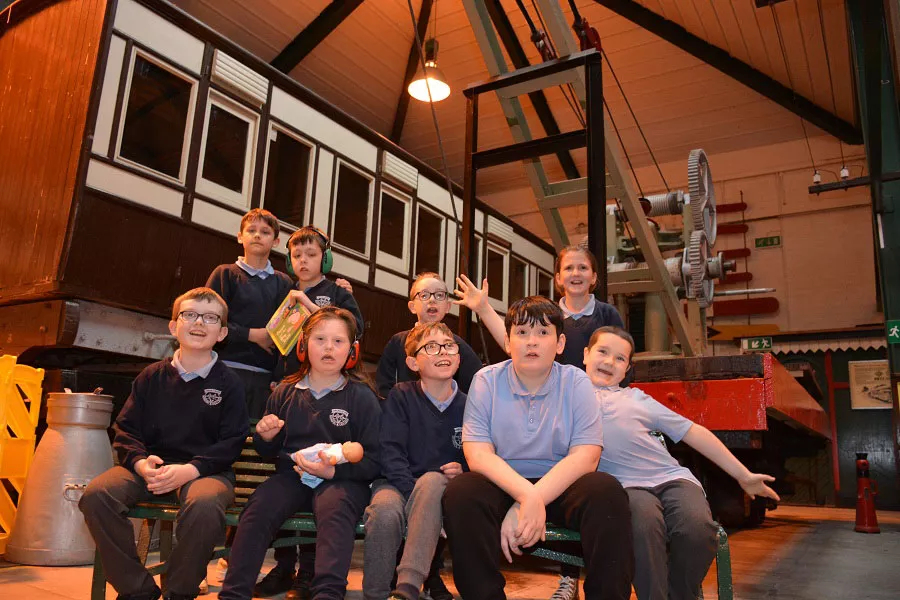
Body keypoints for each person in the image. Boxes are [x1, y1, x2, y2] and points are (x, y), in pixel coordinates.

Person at [442, 296, 634, 600]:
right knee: (462, 493)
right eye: (521, 333)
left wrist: (531, 499)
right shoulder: (486, 381)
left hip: (560, 484)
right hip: (503, 481)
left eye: (543, 333)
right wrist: (524, 494)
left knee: (606, 492)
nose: (532, 341)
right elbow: (477, 454)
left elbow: (586, 456)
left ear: (559, 344)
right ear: (507, 342)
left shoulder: (577, 382)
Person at [583, 326, 781, 600]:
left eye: (620, 358)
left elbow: (693, 432)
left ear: (627, 368)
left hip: (672, 479)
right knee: (643, 530)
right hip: (626, 487)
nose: (608, 362)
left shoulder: (637, 399)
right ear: (585, 354)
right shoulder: (570, 398)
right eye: (602, 352)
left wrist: (742, 475)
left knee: (697, 529)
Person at [79, 288, 248, 600]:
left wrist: (191, 469)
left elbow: (232, 441)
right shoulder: (151, 377)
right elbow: (126, 430)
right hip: (149, 469)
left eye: (211, 318)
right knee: (97, 496)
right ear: (173, 326)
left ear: (222, 332)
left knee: (205, 505)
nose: (199, 323)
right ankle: (137, 589)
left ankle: (178, 592)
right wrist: (141, 463)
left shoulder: (230, 383)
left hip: (207, 472)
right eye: (190, 314)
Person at [219, 307, 381, 600]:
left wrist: (335, 471)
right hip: (292, 476)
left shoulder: (361, 397)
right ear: (304, 346)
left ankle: (327, 594)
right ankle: (233, 593)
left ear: (352, 351)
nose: (329, 347)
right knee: (259, 508)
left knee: (335, 511)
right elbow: (268, 451)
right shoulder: (285, 391)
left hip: (341, 480)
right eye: (320, 339)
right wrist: (267, 436)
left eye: (338, 341)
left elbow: (374, 458)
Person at [363, 322, 467, 600]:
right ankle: (375, 594)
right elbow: (390, 452)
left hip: (440, 490)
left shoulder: (471, 404)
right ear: (412, 361)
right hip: (397, 483)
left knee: (433, 479)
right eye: (431, 347)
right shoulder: (401, 395)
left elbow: (481, 454)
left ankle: (407, 587)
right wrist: (411, 495)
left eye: (449, 345)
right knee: (383, 513)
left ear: (458, 357)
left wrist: (464, 468)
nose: (442, 352)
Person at [206, 208, 294, 418]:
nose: (257, 235)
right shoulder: (224, 274)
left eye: (265, 232)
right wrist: (253, 335)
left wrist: (279, 377)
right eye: (251, 230)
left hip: (265, 380)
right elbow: (210, 322)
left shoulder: (285, 284)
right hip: (224, 370)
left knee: (255, 440)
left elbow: (289, 336)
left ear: (275, 241)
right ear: (240, 237)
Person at [376, 271, 483, 398]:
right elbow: (383, 388)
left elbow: (476, 389)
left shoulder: (458, 346)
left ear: (448, 306)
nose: (432, 300)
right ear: (412, 306)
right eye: (424, 295)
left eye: (439, 295)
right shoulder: (397, 342)